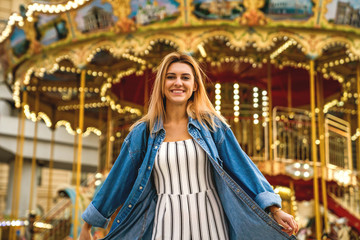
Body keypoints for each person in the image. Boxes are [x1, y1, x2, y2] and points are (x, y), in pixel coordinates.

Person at [80, 52, 298, 239]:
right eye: (171, 77)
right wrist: (88, 224)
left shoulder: (212, 126)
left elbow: (243, 166)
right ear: (162, 84)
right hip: (166, 220)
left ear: (195, 85)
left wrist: (274, 208)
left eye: (185, 77)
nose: (178, 83)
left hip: (210, 218)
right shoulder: (144, 133)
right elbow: (118, 179)